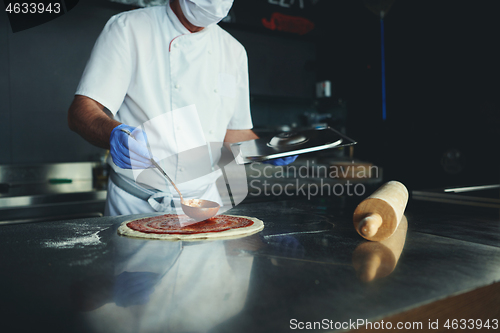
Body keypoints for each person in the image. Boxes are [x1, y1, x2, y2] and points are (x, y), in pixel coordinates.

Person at [68, 0, 296, 216]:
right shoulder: (129, 28)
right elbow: (82, 111)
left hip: (205, 204)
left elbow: (233, 135)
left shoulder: (234, 51)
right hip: (135, 205)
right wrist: (113, 134)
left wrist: (270, 149)